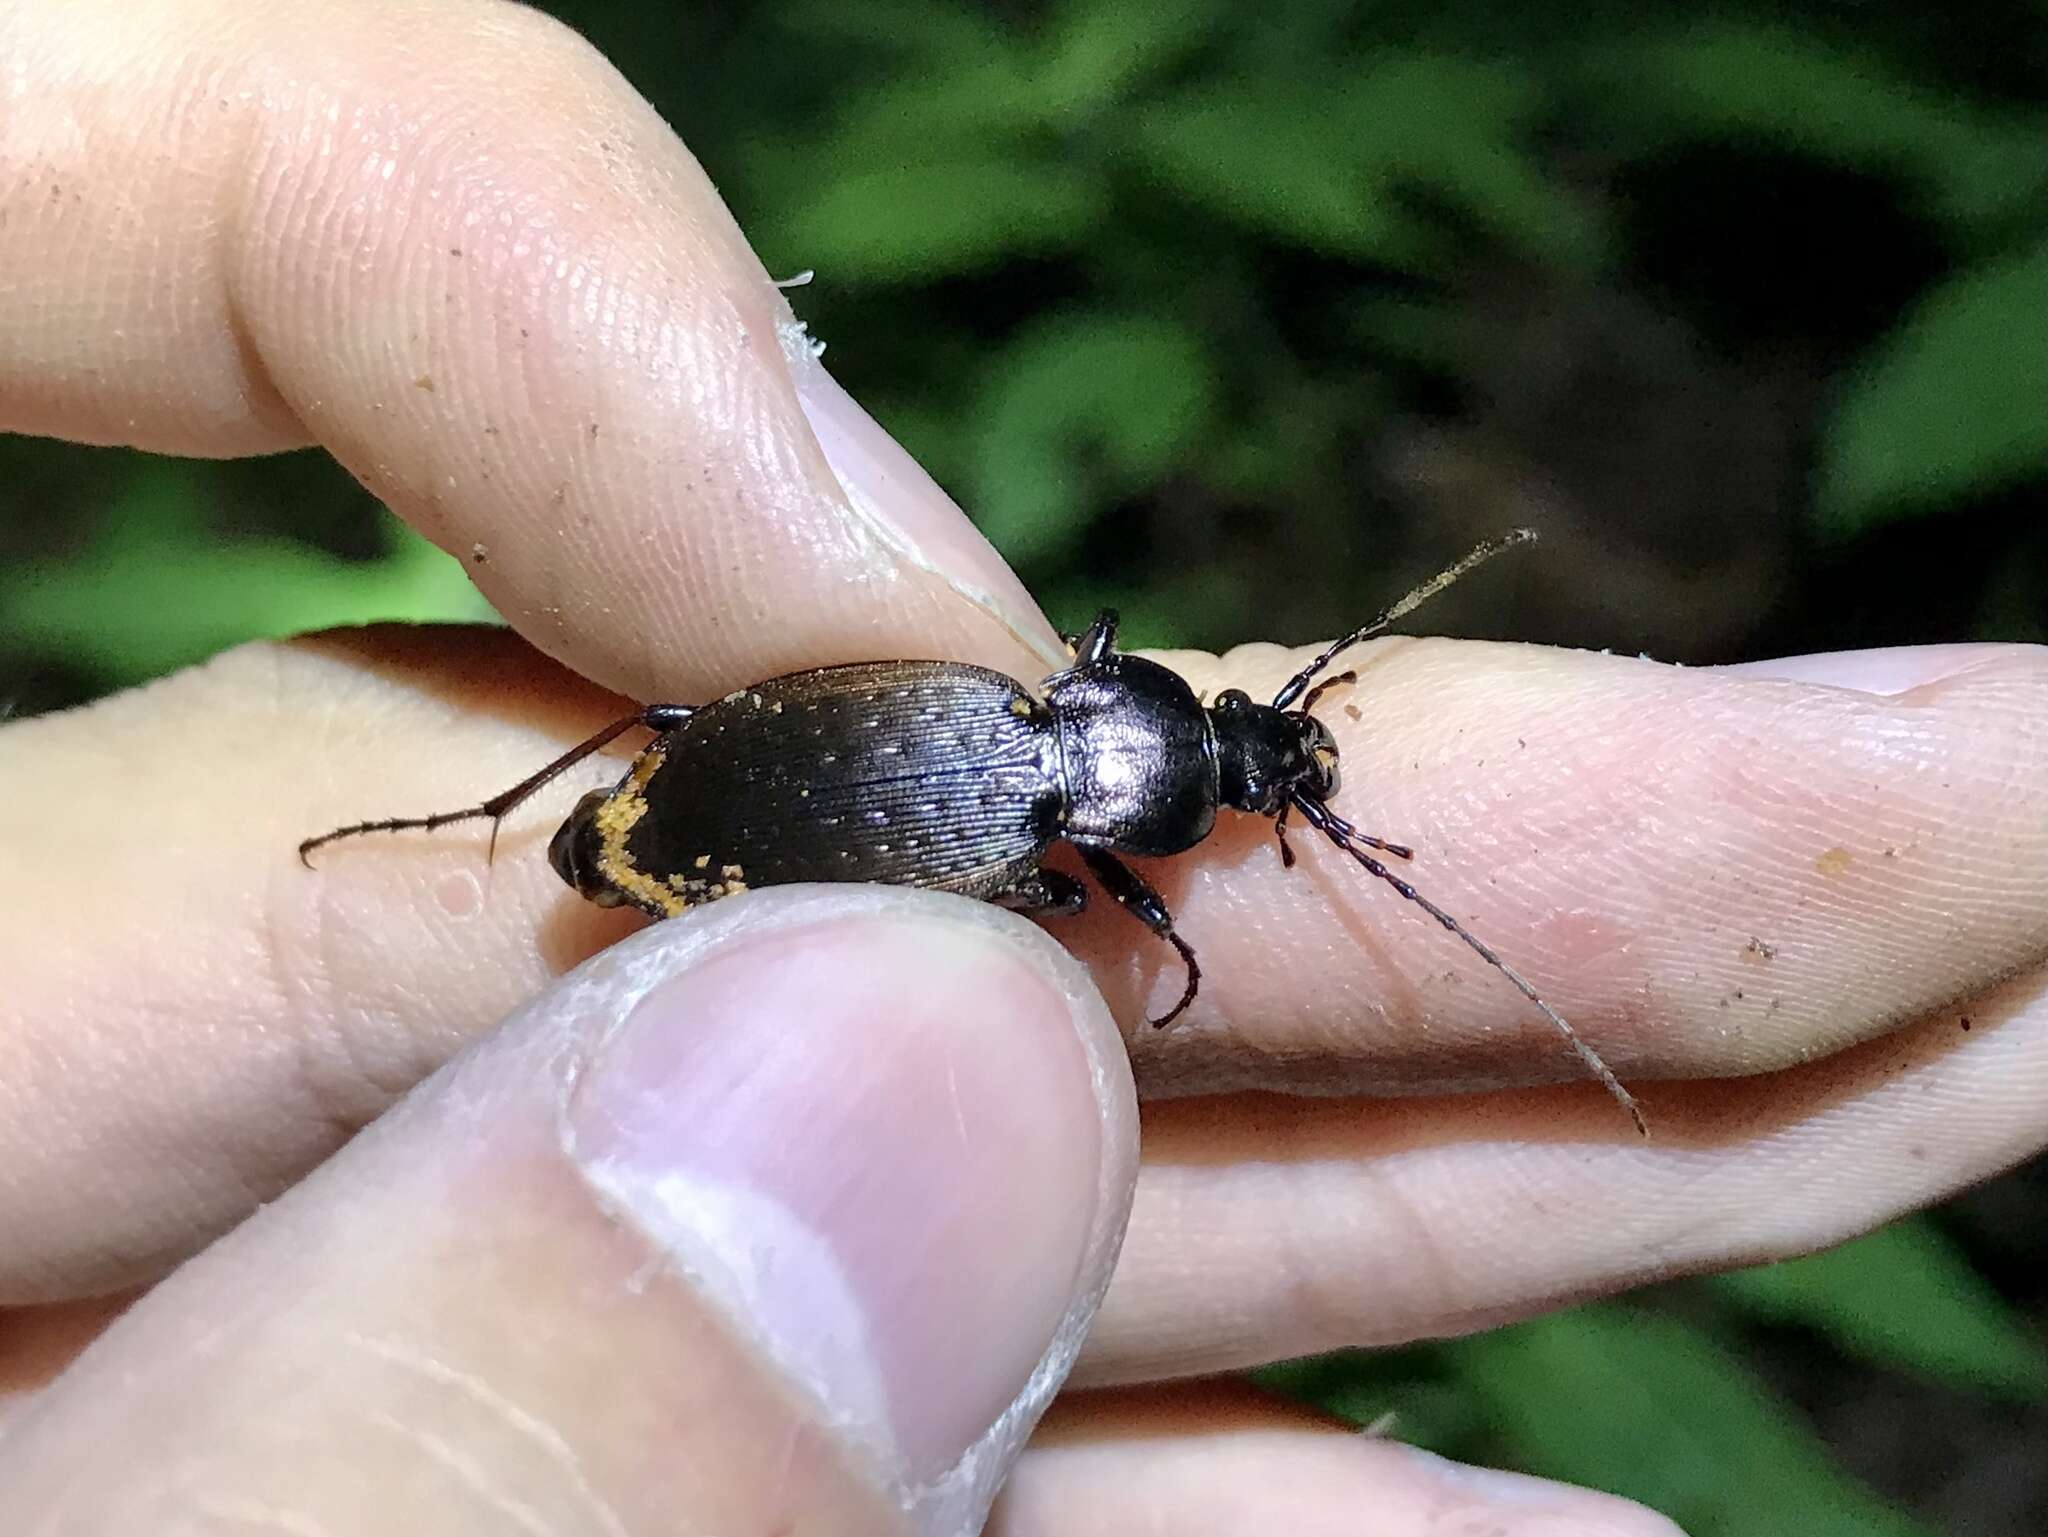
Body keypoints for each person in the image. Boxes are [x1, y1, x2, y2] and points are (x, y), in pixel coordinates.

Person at [3, 3, 2044, 1532]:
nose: (1265, 763)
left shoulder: (1024, 709)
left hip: (713, 806)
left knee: (685, 738)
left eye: (1256, 774)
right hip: (683, 847)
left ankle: (471, 820)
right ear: (1162, 783)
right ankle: (476, 837)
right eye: (1258, 771)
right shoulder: (1061, 841)